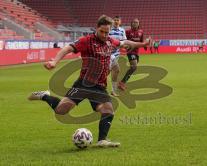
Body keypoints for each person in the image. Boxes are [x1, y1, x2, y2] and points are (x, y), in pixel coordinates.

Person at [28, 15, 150, 147]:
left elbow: (127, 43)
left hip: (99, 87)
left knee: (108, 111)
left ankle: (102, 140)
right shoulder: (87, 41)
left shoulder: (111, 41)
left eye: (107, 32)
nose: (104, 35)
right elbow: (68, 48)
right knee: (61, 110)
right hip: (83, 84)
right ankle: (45, 95)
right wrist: (54, 61)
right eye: (102, 31)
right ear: (97, 28)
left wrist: (142, 44)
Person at [118, 18, 144, 91]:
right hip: (130, 51)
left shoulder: (141, 32)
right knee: (134, 67)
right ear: (131, 23)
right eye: (134, 22)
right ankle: (122, 83)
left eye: (137, 22)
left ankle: (122, 82)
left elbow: (141, 42)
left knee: (133, 68)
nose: (135, 23)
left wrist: (145, 45)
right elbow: (123, 40)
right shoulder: (127, 32)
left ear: (139, 24)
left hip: (137, 52)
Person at [109, 16, 127, 97]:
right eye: (115, 20)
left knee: (114, 71)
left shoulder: (122, 30)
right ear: (113, 21)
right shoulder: (109, 29)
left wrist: (124, 46)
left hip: (116, 54)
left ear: (120, 22)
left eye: (117, 20)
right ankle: (95, 88)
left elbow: (124, 41)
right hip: (108, 53)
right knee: (115, 70)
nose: (116, 21)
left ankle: (113, 90)